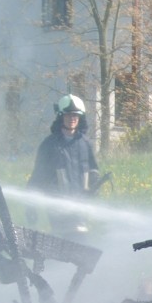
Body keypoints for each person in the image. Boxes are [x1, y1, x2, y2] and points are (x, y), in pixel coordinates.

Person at [28, 93, 98, 233]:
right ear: (61, 117)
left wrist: (93, 189)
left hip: (80, 208)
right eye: (68, 115)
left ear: (80, 118)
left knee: (81, 241)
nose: (72, 119)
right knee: (61, 242)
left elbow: (93, 171)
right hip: (58, 210)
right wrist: (31, 207)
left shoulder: (85, 144)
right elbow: (38, 177)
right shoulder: (50, 145)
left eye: (75, 115)